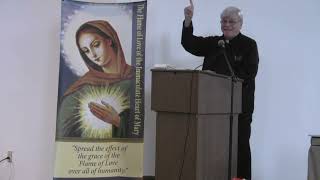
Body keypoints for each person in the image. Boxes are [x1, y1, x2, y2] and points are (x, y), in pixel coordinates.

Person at [181, 2, 259, 180]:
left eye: (231, 21)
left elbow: (249, 73)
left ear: (240, 24)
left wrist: (219, 77)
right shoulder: (215, 43)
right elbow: (189, 43)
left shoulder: (249, 45)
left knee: (240, 146)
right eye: (224, 21)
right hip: (212, 108)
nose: (227, 25)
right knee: (212, 146)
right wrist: (187, 20)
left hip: (239, 108)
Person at [56, 20, 134, 139]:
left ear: (109, 40)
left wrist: (117, 121)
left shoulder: (135, 77)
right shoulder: (80, 89)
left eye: (96, 45)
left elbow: (141, 127)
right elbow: (64, 137)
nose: (92, 54)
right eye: (86, 51)